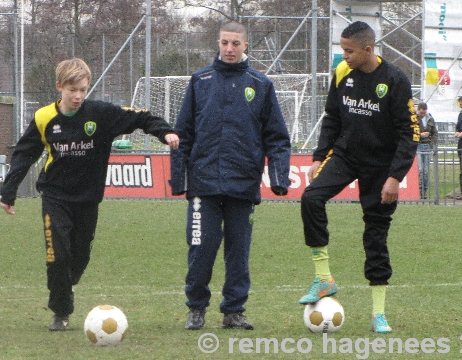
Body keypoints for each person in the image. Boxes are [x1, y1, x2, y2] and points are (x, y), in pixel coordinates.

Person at [0, 58, 179, 331]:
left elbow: (141, 117)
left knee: (79, 258)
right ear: (60, 87)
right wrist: (8, 191)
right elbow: (24, 155)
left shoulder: (101, 114)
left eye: (83, 89)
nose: (78, 96)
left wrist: (165, 132)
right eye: (73, 90)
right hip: (55, 197)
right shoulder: (44, 117)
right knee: (57, 256)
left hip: (87, 199)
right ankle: (60, 312)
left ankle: (66, 286)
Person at [298, 21, 419, 334]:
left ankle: (378, 313)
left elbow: (410, 133)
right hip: (345, 156)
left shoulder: (394, 80)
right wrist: (317, 156)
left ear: (368, 49)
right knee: (311, 197)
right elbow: (332, 118)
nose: (344, 56)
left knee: (375, 233)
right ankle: (324, 278)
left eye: (349, 51)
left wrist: (395, 177)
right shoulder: (342, 73)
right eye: (342, 50)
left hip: (380, 167)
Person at [170, 21, 291, 331]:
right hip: (203, 184)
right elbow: (182, 132)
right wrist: (179, 178)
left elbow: (277, 136)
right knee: (201, 249)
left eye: (236, 43)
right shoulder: (200, 81)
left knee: (238, 254)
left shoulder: (260, 84)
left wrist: (278, 177)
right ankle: (196, 308)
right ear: (218, 43)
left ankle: (233, 311)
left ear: (245, 45)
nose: (229, 48)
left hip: (243, 184)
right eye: (225, 42)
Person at [416, 102, 438, 199]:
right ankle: (418, 190)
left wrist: (432, 143)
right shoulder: (414, 119)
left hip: (427, 146)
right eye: (421, 112)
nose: (422, 114)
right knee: (419, 169)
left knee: (425, 171)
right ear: (418, 110)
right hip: (418, 145)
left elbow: (435, 133)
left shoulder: (430, 119)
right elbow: (410, 132)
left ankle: (424, 191)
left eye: (424, 112)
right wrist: (419, 135)